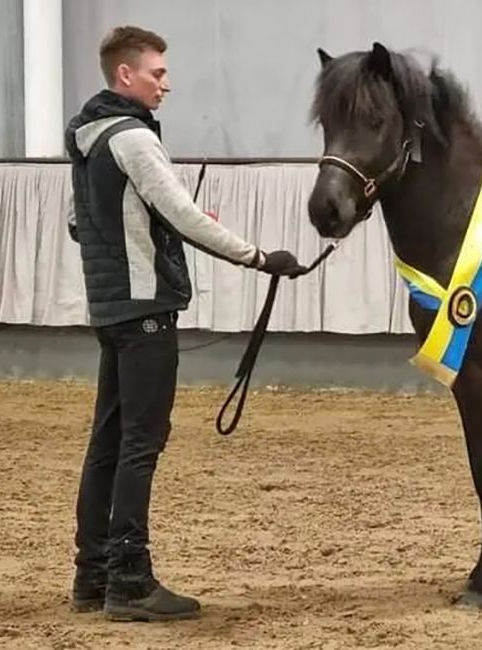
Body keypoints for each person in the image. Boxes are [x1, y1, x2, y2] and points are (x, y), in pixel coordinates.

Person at [64, 25, 304, 622]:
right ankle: (130, 579)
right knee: (140, 444)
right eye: (157, 73)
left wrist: (156, 226)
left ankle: (92, 576)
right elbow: (183, 213)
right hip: (145, 307)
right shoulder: (134, 140)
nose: (166, 84)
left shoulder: (89, 137)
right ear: (126, 75)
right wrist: (257, 256)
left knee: (109, 443)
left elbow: (81, 222)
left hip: (110, 306)